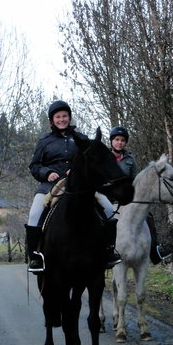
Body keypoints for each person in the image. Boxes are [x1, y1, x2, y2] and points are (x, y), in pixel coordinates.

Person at [24, 100, 121, 273]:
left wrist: (79, 171)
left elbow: (94, 161)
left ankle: (108, 251)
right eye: (58, 117)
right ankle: (35, 257)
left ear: (69, 117)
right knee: (35, 212)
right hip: (51, 185)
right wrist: (47, 173)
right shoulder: (44, 141)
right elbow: (34, 166)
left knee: (107, 207)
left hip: (81, 185)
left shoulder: (82, 139)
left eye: (65, 116)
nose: (62, 119)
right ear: (52, 121)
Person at [109, 126, 173, 264]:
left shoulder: (130, 159)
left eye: (122, 140)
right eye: (117, 140)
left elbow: (135, 180)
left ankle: (155, 250)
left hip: (126, 199)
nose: (119, 142)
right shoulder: (105, 157)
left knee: (148, 215)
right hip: (109, 198)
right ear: (111, 141)